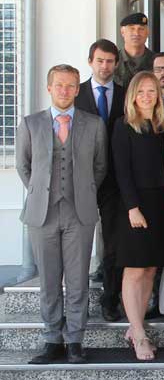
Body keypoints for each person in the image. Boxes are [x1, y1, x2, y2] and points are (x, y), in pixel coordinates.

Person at [16, 65, 107, 364]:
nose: (65, 90)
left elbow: (99, 167)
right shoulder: (31, 124)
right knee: (49, 280)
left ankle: (75, 341)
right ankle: (52, 338)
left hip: (79, 212)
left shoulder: (94, 124)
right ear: (49, 88)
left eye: (70, 85)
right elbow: (24, 166)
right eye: (59, 85)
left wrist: (83, 191)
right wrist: (42, 191)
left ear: (77, 89)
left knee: (78, 279)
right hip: (42, 212)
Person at [112, 72, 164, 361]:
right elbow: (121, 172)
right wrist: (132, 207)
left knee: (150, 268)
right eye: (141, 91)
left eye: (152, 91)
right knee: (134, 268)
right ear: (133, 96)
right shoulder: (123, 127)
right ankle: (137, 333)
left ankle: (137, 324)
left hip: (161, 204)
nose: (147, 96)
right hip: (135, 206)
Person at [74, 39, 126, 322]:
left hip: (115, 180)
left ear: (116, 63)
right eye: (100, 61)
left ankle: (110, 300)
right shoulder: (75, 93)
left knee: (113, 242)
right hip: (81, 179)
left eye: (109, 61)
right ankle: (75, 303)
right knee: (76, 242)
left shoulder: (125, 93)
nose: (105, 66)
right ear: (90, 61)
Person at [115, 12, 156, 87]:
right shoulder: (113, 61)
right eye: (132, 28)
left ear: (147, 33)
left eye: (141, 29)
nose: (136, 33)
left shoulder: (156, 62)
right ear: (122, 32)